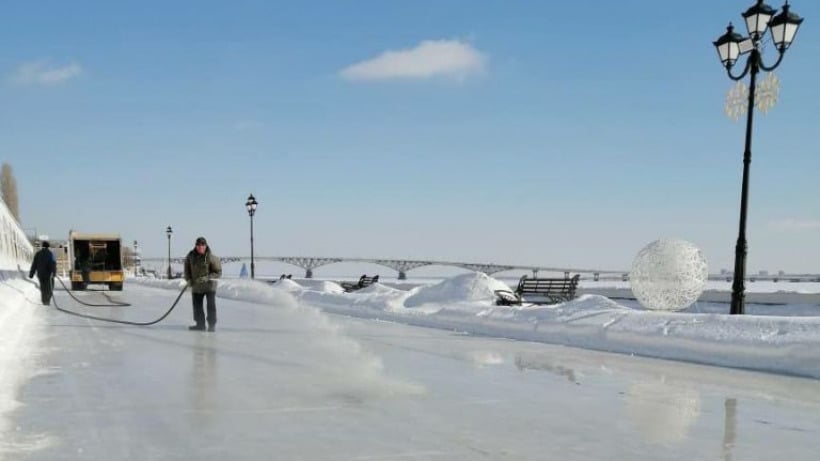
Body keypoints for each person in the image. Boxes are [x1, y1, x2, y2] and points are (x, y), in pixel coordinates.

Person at [183, 237, 222, 331]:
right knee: (197, 306)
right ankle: (200, 324)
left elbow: (218, 273)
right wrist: (188, 279)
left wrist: (207, 277)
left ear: (205, 246)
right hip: (196, 286)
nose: (200, 247)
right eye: (198, 245)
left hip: (209, 286)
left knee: (211, 306)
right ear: (196, 246)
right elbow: (186, 269)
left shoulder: (212, 258)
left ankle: (212, 325)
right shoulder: (190, 256)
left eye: (202, 245)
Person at [29, 241, 57, 305]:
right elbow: (53, 264)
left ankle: (44, 301)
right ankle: (47, 300)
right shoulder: (51, 254)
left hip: (40, 274)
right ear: (48, 247)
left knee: (43, 288)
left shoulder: (38, 254)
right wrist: (54, 272)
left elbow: (34, 264)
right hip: (48, 275)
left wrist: (31, 274)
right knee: (50, 287)